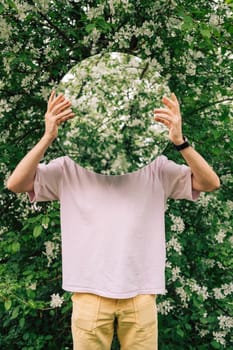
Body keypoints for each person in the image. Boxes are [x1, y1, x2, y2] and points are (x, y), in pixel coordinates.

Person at [7, 90, 220, 350]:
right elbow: (16, 184)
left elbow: (210, 183)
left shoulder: (155, 167)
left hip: (140, 292)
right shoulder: (68, 168)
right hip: (88, 292)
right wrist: (48, 136)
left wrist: (180, 141)